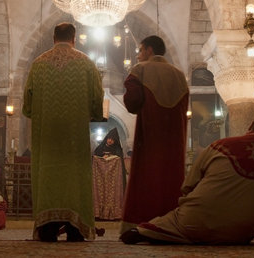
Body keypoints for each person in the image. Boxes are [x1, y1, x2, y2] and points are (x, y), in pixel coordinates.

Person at [120, 112, 254, 247]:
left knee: (169, 223)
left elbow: (188, 186)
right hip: (244, 230)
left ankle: (149, 233)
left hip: (196, 222)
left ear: (251, 125)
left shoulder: (220, 145)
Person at [23, 22, 104, 242]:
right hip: (73, 140)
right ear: (74, 38)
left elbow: (27, 106)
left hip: (46, 139)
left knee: (48, 179)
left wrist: (43, 112)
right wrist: (92, 115)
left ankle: (47, 229)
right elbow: (97, 100)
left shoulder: (38, 65)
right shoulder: (87, 64)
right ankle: (75, 228)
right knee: (75, 180)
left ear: (53, 37)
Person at [120, 35, 189, 234]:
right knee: (170, 179)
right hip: (174, 142)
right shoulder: (179, 75)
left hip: (149, 139)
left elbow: (132, 103)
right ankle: (169, 226)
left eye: (140, 51)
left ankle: (140, 225)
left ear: (149, 50)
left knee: (147, 179)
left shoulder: (140, 70)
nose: (139, 56)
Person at [93, 128, 126, 220]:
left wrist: (112, 158)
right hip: (101, 178)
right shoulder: (100, 148)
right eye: (109, 138)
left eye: (112, 139)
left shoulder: (117, 149)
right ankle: (99, 213)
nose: (110, 140)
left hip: (113, 179)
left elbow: (119, 161)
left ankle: (114, 214)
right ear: (106, 138)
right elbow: (95, 157)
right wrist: (102, 158)